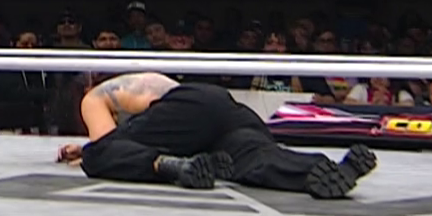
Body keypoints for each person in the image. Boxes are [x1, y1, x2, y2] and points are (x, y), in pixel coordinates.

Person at [58, 71, 378, 198]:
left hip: (189, 111)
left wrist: (88, 151)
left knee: (97, 156)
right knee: (254, 158)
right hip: (223, 112)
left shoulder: (94, 95)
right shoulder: (148, 86)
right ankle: (321, 169)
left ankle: (169, 166)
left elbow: (107, 145)